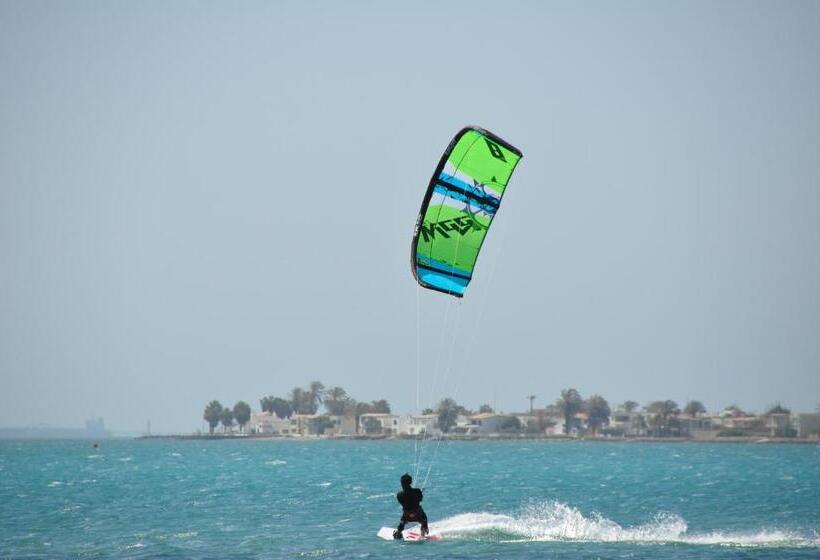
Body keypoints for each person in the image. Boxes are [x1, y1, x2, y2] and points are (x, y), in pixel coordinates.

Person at [393, 473, 429, 539]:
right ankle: (423, 533)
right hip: (418, 514)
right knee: (424, 518)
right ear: (411, 482)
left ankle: (398, 532)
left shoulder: (399, 495)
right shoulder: (417, 491)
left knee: (403, 520)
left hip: (406, 515)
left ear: (401, 483)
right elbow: (420, 499)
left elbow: (402, 503)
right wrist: (419, 493)